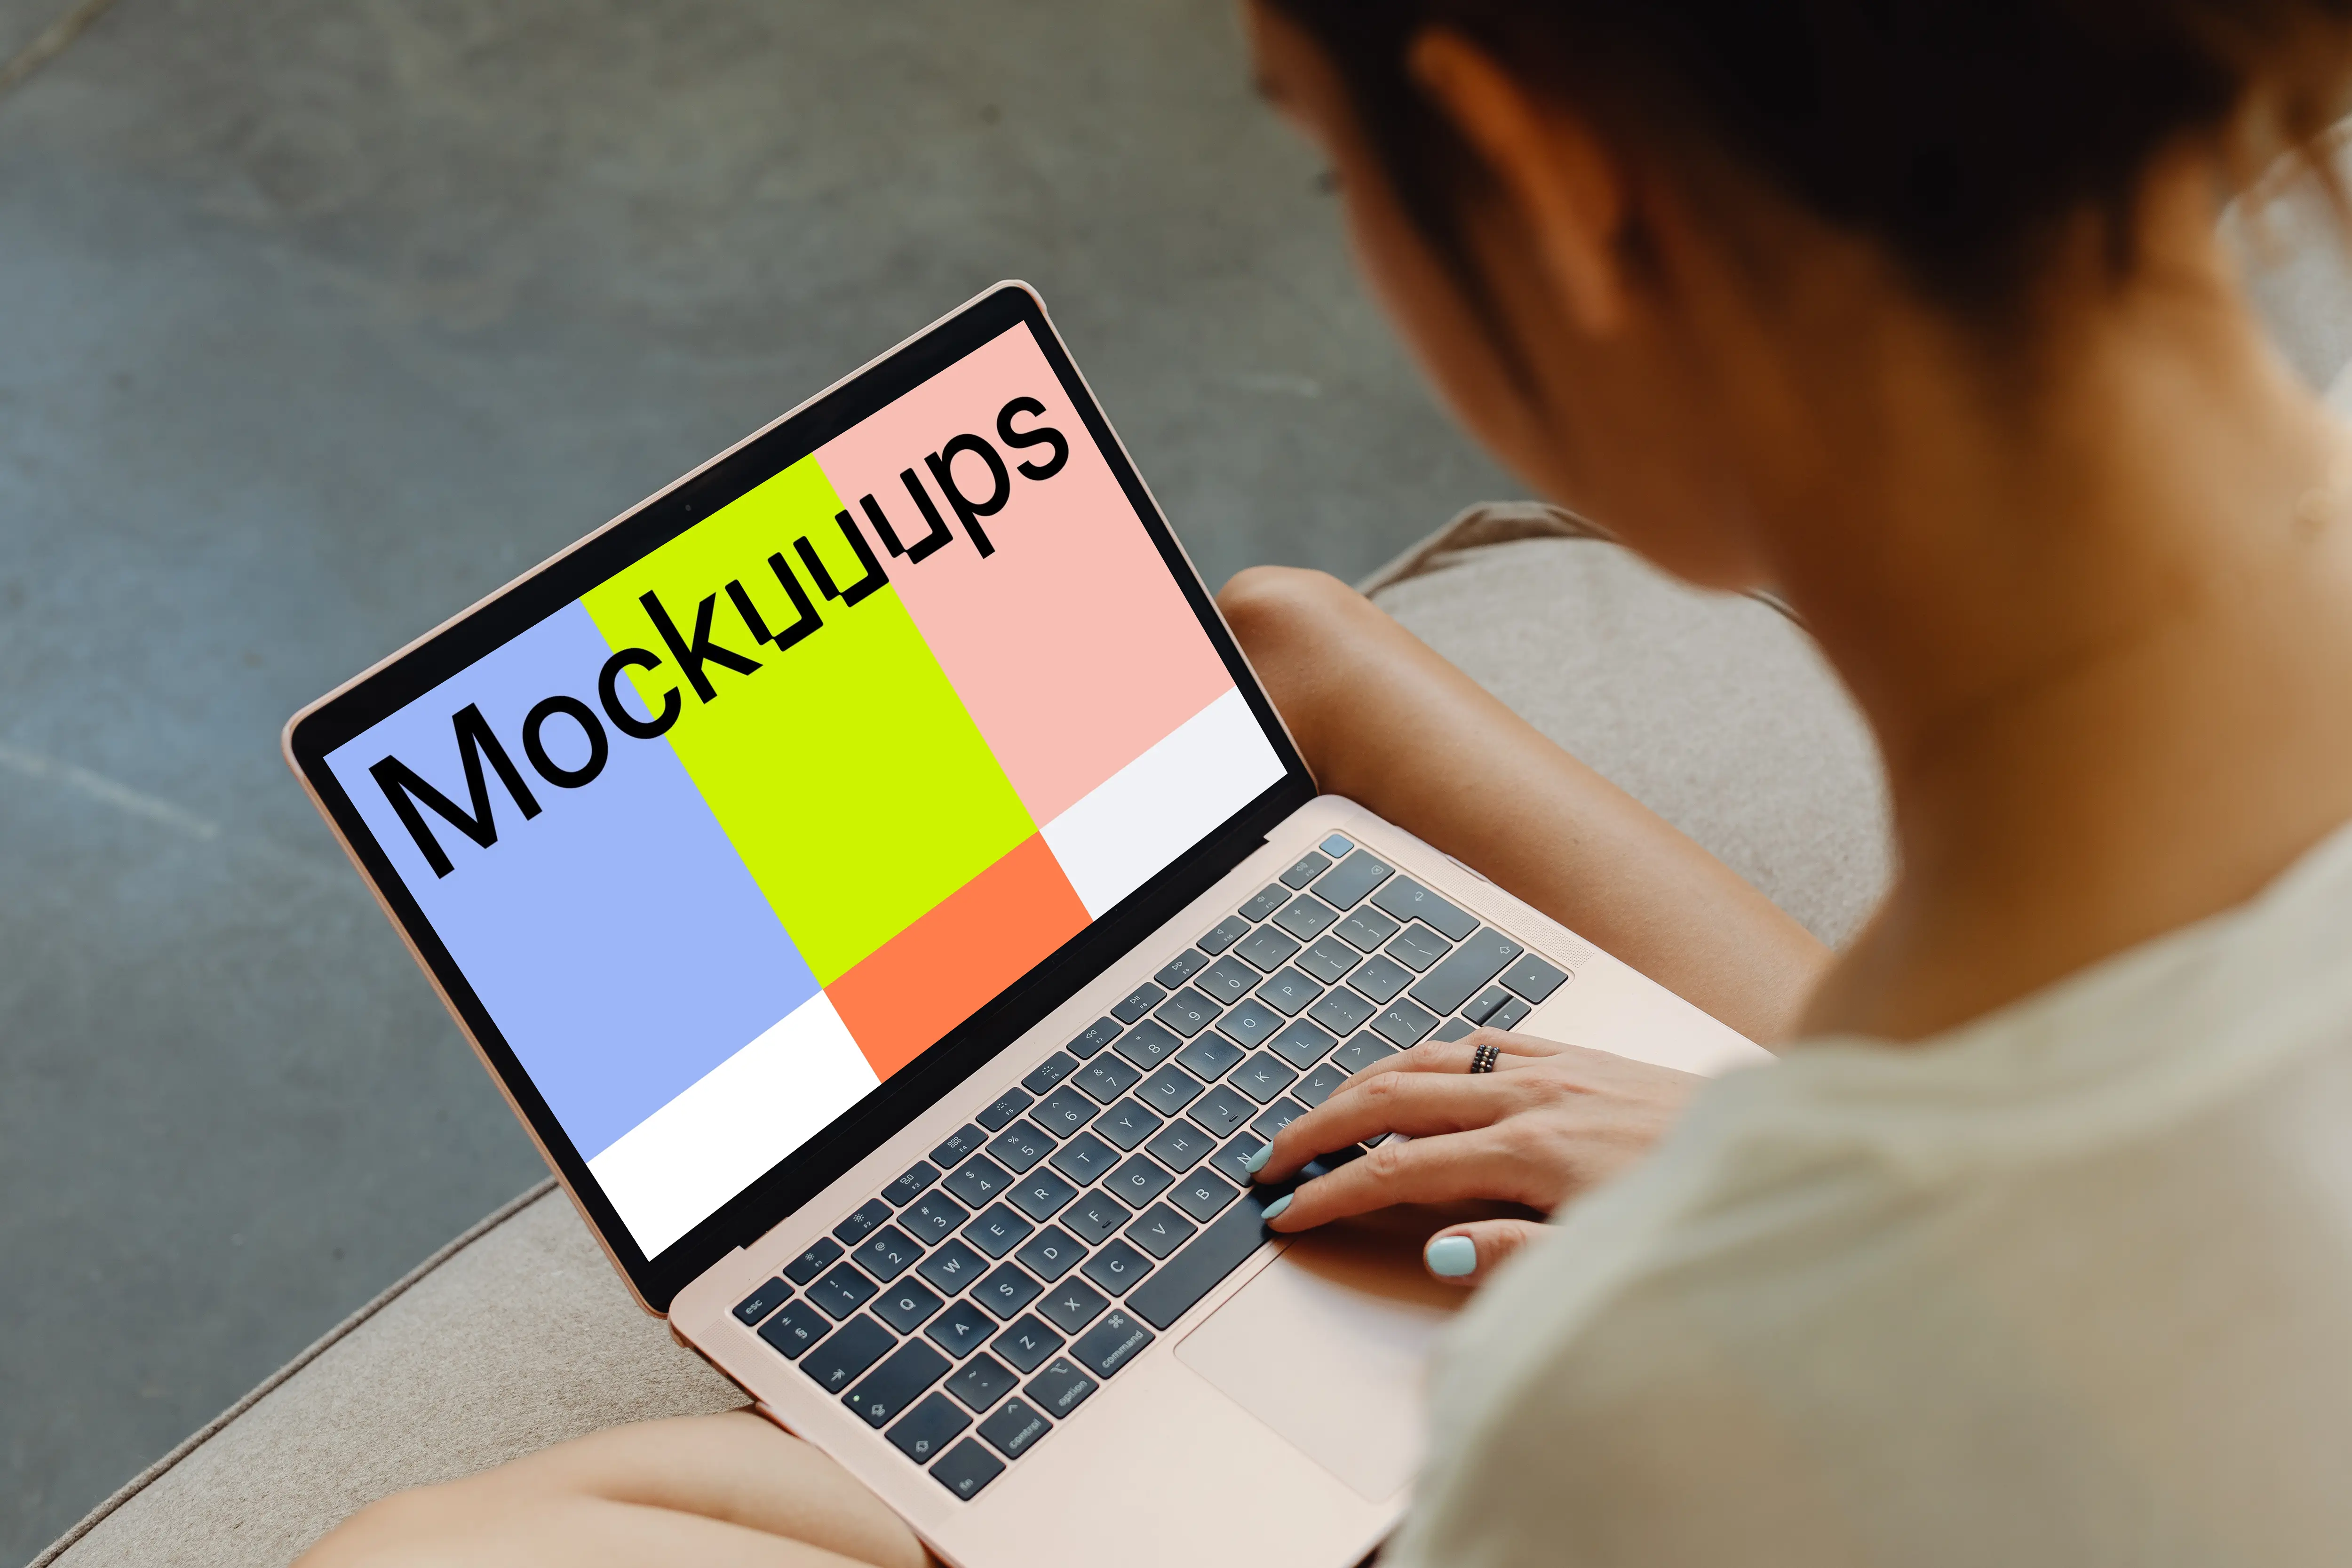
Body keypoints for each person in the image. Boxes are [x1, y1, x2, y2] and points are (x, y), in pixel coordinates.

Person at [303, 0, 2352, 1562]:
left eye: (1323, 164)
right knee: (1287, 649)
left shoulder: (1655, 1415)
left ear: (1541, 177)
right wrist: (1754, 1137)